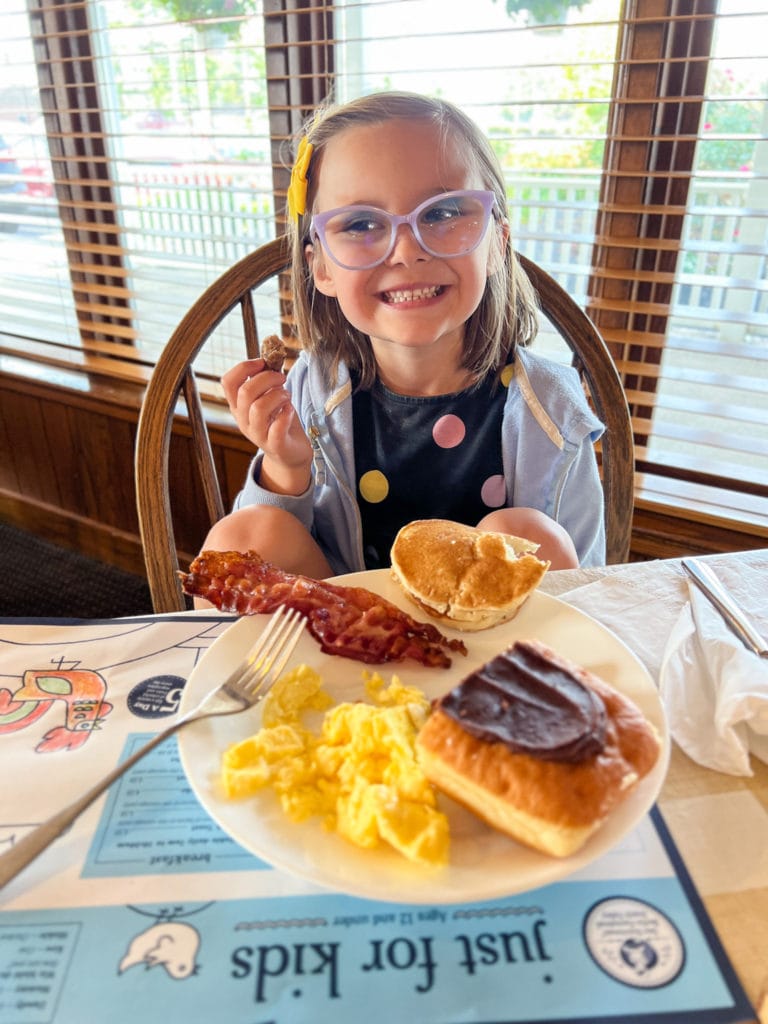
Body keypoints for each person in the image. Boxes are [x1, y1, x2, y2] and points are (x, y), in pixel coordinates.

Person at [202, 91, 606, 578]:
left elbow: (587, 589)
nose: (407, 251)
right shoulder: (312, 389)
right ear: (322, 268)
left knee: (529, 536)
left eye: (442, 212)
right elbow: (268, 559)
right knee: (243, 539)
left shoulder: (552, 412)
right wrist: (286, 467)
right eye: (361, 223)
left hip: (499, 644)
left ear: (497, 243)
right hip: (348, 634)